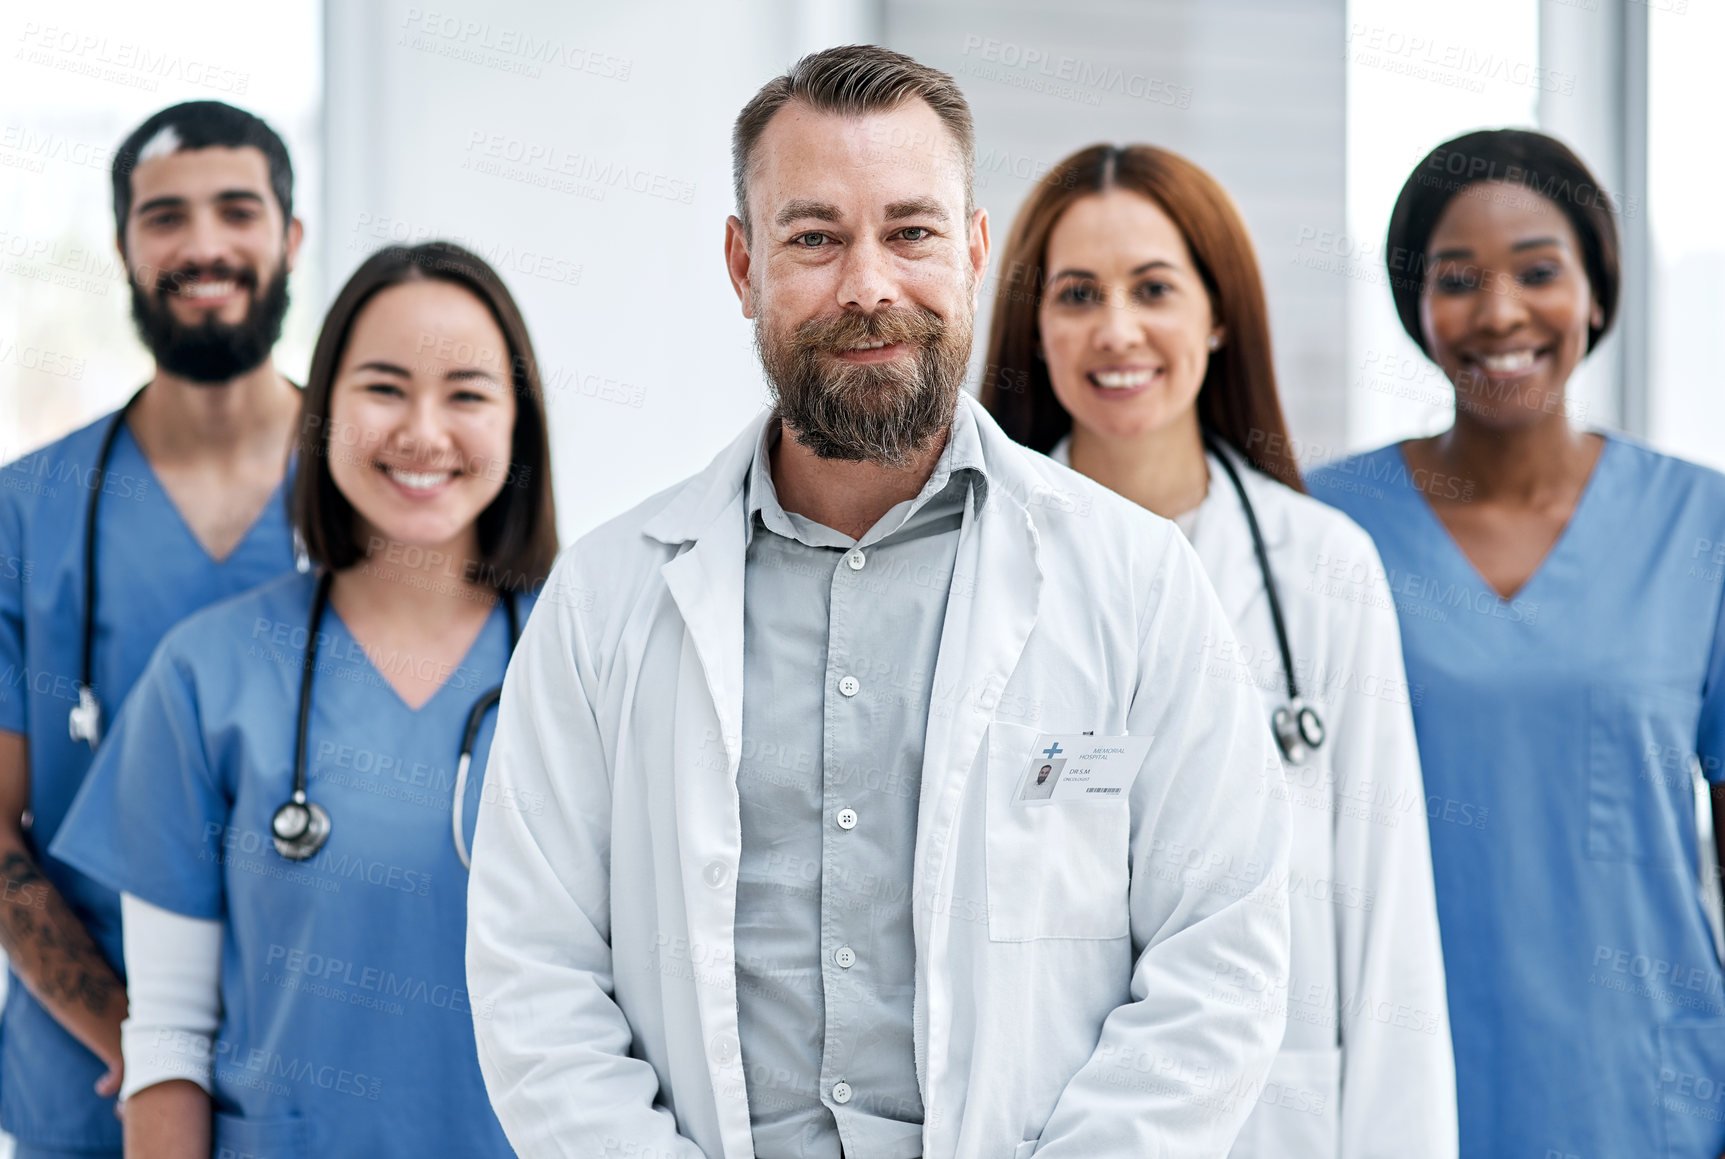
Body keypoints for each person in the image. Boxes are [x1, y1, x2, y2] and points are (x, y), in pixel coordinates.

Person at [467, 45, 1292, 1159]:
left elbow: (1219, 958)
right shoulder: (608, 597)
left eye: (910, 232)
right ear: (742, 264)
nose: (868, 286)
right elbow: (536, 970)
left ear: (974, 250)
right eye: (814, 238)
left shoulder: (1136, 583)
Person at [981, 142, 1456, 1159]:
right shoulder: (973, 571)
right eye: (1075, 294)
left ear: (1218, 312)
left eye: (1155, 287)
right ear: (1036, 328)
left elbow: (1388, 933)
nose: (1117, 330)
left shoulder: (1322, 570)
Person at [50, 241, 558, 1158]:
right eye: (383, 386)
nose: (423, 431)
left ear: (520, 423)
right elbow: (167, 1035)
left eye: (469, 393)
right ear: (322, 414)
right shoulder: (207, 673)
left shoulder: (590, 657)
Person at [1306, 129, 1725, 1158]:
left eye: (1538, 270)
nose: (1499, 313)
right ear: (1419, 308)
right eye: (1459, 279)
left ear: (1594, 290)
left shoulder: (1700, 526)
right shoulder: (1324, 527)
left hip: (1644, 1089)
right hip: (1394, 1087)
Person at [0, 100, 305, 1159]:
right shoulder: (26, 512)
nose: (205, 245)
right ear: (126, 246)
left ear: (290, 238)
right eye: (165, 216)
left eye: (237, 209)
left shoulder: (390, 500)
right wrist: (142, 1042)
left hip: (323, 1064)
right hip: (90, 1085)